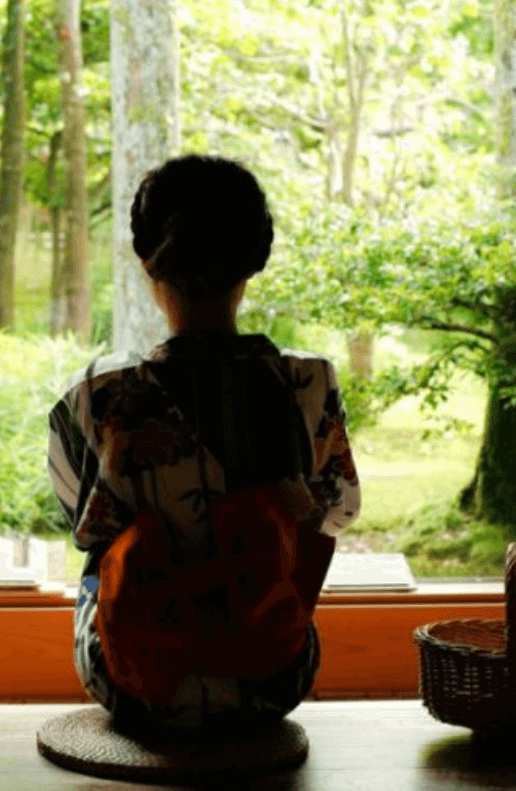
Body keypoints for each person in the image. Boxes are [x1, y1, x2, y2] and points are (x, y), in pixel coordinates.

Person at [47, 154, 360, 737]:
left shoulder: (98, 390)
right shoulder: (310, 383)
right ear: (256, 257)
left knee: (104, 560)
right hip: (273, 674)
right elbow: (339, 511)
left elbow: (82, 524)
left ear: (147, 259)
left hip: (136, 680)